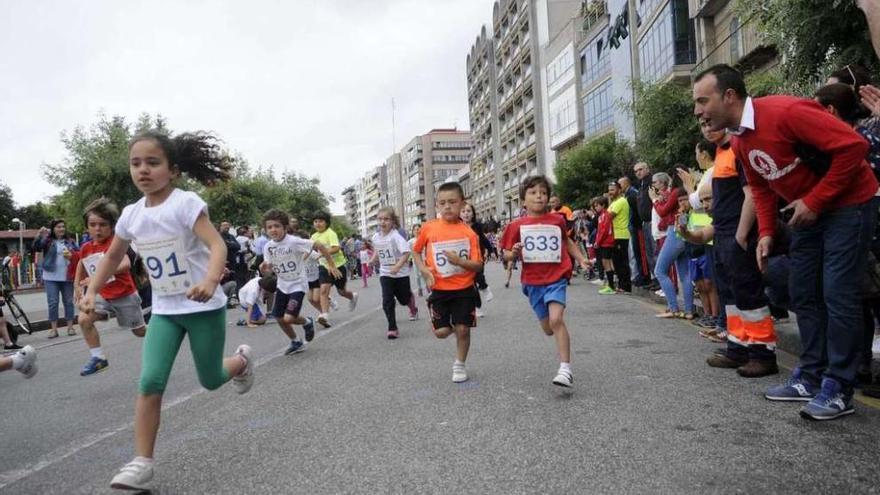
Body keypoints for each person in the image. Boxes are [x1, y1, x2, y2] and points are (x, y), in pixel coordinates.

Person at [694, 64, 878, 420]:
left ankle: (839, 387)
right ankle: (810, 377)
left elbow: (854, 147)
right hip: (806, 213)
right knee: (802, 290)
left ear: (729, 96)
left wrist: (814, 201)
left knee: (837, 291)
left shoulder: (784, 111)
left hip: (849, 204)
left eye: (703, 101)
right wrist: (765, 232)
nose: (698, 111)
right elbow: (762, 188)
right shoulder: (741, 138)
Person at [80, 130, 254, 490]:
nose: (143, 170)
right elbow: (114, 255)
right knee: (150, 380)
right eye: (136, 163)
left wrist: (209, 280)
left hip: (203, 307)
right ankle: (142, 462)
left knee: (210, 379)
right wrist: (92, 288)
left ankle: (240, 362)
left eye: (153, 163)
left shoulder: (185, 204)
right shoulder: (131, 214)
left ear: (172, 170)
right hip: (164, 310)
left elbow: (216, 244)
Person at [501, 175, 590, 388]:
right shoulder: (516, 226)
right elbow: (505, 254)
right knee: (549, 328)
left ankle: (565, 369)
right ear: (523, 200)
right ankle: (557, 342)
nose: (539, 196)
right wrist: (513, 253)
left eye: (543, 193)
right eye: (533, 193)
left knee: (557, 319)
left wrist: (581, 258)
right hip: (532, 282)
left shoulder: (557, 220)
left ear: (548, 198)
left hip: (557, 277)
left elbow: (566, 241)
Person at [411, 182, 483, 383]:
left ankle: (459, 364)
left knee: (463, 329)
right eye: (442, 203)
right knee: (441, 333)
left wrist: (460, 262)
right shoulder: (428, 228)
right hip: (439, 289)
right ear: (436, 206)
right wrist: (425, 271)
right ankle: (448, 322)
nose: (447, 207)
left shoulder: (469, 233)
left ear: (462, 204)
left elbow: (478, 265)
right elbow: (415, 252)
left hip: (464, 288)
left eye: (452, 202)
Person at [73, 198, 148, 376]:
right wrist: (76, 286)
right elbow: (81, 265)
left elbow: (125, 263)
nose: (97, 229)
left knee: (140, 332)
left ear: (112, 226)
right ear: (87, 226)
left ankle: (168, 330)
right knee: (84, 319)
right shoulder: (86, 247)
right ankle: (98, 358)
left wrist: (98, 276)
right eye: (93, 224)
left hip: (124, 295)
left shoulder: (117, 242)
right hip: (102, 296)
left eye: (102, 224)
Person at [260, 209, 339, 354]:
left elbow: (319, 245)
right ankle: (296, 342)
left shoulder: (294, 241)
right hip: (282, 284)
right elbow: (269, 267)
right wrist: (265, 267)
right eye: (269, 227)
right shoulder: (268, 247)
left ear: (284, 227)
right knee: (278, 317)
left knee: (289, 318)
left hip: (297, 284)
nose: (273, 230)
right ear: (265, 230)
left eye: (277, 226)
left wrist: (332, 265)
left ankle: (307, 322)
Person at [370, 207, 418, 339]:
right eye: (380, 219)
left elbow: (406, 253)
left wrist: (397, 266)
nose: (383, 222)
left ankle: (411, 303)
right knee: (387, 300)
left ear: (392, 221)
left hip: (401, 273)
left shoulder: (396, 237)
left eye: (386, 219)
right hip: (385, 272)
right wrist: (373, 260)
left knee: (403, 299)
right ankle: (392, 327)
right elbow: (378, 250)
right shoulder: (375, 237)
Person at [651, 174, 694, 319]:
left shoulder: (676, 191)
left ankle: (673, 308)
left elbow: (663, 211)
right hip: (686, 229)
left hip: (674, 230)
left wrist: (655, 200)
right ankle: (688, 311)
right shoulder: (687, 190)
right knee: (685, 274)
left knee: (660, 271)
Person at [33, 219, 79, 338]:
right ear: (53, 229)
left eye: (63, 226)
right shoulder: (48, 241)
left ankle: (70, 327)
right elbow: (36, 247)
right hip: (50, 276)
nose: (61, 229)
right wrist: (39, 235)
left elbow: (79, 254)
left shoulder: (70, 241)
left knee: (69, 302)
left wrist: (72, 255)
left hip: (67, 277)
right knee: (53, 303)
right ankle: (54, 329)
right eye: (58, 227)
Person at [311, 211, 358, 328]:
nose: (318, 224)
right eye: (316, 221)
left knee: (341, 292)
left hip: (338, 266)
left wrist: (323, 253)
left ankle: (352, 296)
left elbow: (336, 248)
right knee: (323, 290)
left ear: (326, 223)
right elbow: (310, 250)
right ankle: (324, 315)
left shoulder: (330, 233)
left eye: (321, 221)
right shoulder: (313, 236)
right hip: (324, 266)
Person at [460, 202, 494, 317]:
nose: (466, 214)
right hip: (465, 258)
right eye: (463, 211)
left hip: (478, 256)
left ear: (473, 213)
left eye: (468, 211)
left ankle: (484, 287)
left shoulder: (477, 226)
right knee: (472, 284)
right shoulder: (458, 227)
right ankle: (477, 307)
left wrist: (491, 250)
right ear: (459, 214)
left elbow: (484, 239)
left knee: (479, 276)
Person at [634, 162, 658, 289]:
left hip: (653, 221)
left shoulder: (652, 182)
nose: (638, 172)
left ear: (647, 169)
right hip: (645, 223)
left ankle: (659, 280)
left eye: (640, 169)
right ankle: (654, 279)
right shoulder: (641, 185)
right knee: (649, 252)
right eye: (636, 171)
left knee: (655, 251)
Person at [606, 182, 632, 293]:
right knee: (617, 262)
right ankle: (621, 285)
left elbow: (608, 216)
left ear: (619, 190)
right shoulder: (614, 202)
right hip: (615, 235)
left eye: (612, 190)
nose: (610, 192)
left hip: (621, 235)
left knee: (622, 262)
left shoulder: (621, 201)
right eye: (609, 190)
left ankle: (625, 286)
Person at [592, 197, 616, 295]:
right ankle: (611, 284)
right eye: (595, 206)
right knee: (606, 262)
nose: (595, 207)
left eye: (597, 205)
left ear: (603, 205)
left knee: (606, 263)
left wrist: (598, 241)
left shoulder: (605, 216)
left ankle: (611, 286)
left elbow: (603, 231)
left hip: (606, 242)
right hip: (605, 242)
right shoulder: (602, 215)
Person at [410, 224, 430, 297]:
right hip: (415, 261)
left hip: (424, 260)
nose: (417, 230)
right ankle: (419, 288)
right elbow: (408, 252)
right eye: (415, 229)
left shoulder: (425, 239)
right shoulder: (411, 241)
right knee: (417, 276)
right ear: (413, 232)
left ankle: (427, 286)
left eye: (418, 229)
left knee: (424, 274)